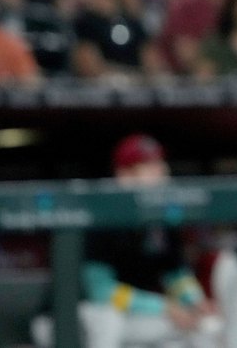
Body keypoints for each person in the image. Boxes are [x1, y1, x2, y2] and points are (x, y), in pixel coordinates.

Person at [32, 134, 226, 348]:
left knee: (204, 326)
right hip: (64, 320)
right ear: (123, 175)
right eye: (148, 167)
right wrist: (164, 308)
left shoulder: (160, 218)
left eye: (159, 164)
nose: (160, 172)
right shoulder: (101, 214)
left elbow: (174, 271)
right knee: (108, 320)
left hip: (127, 316)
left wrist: (195, 302)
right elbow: (102, 293)